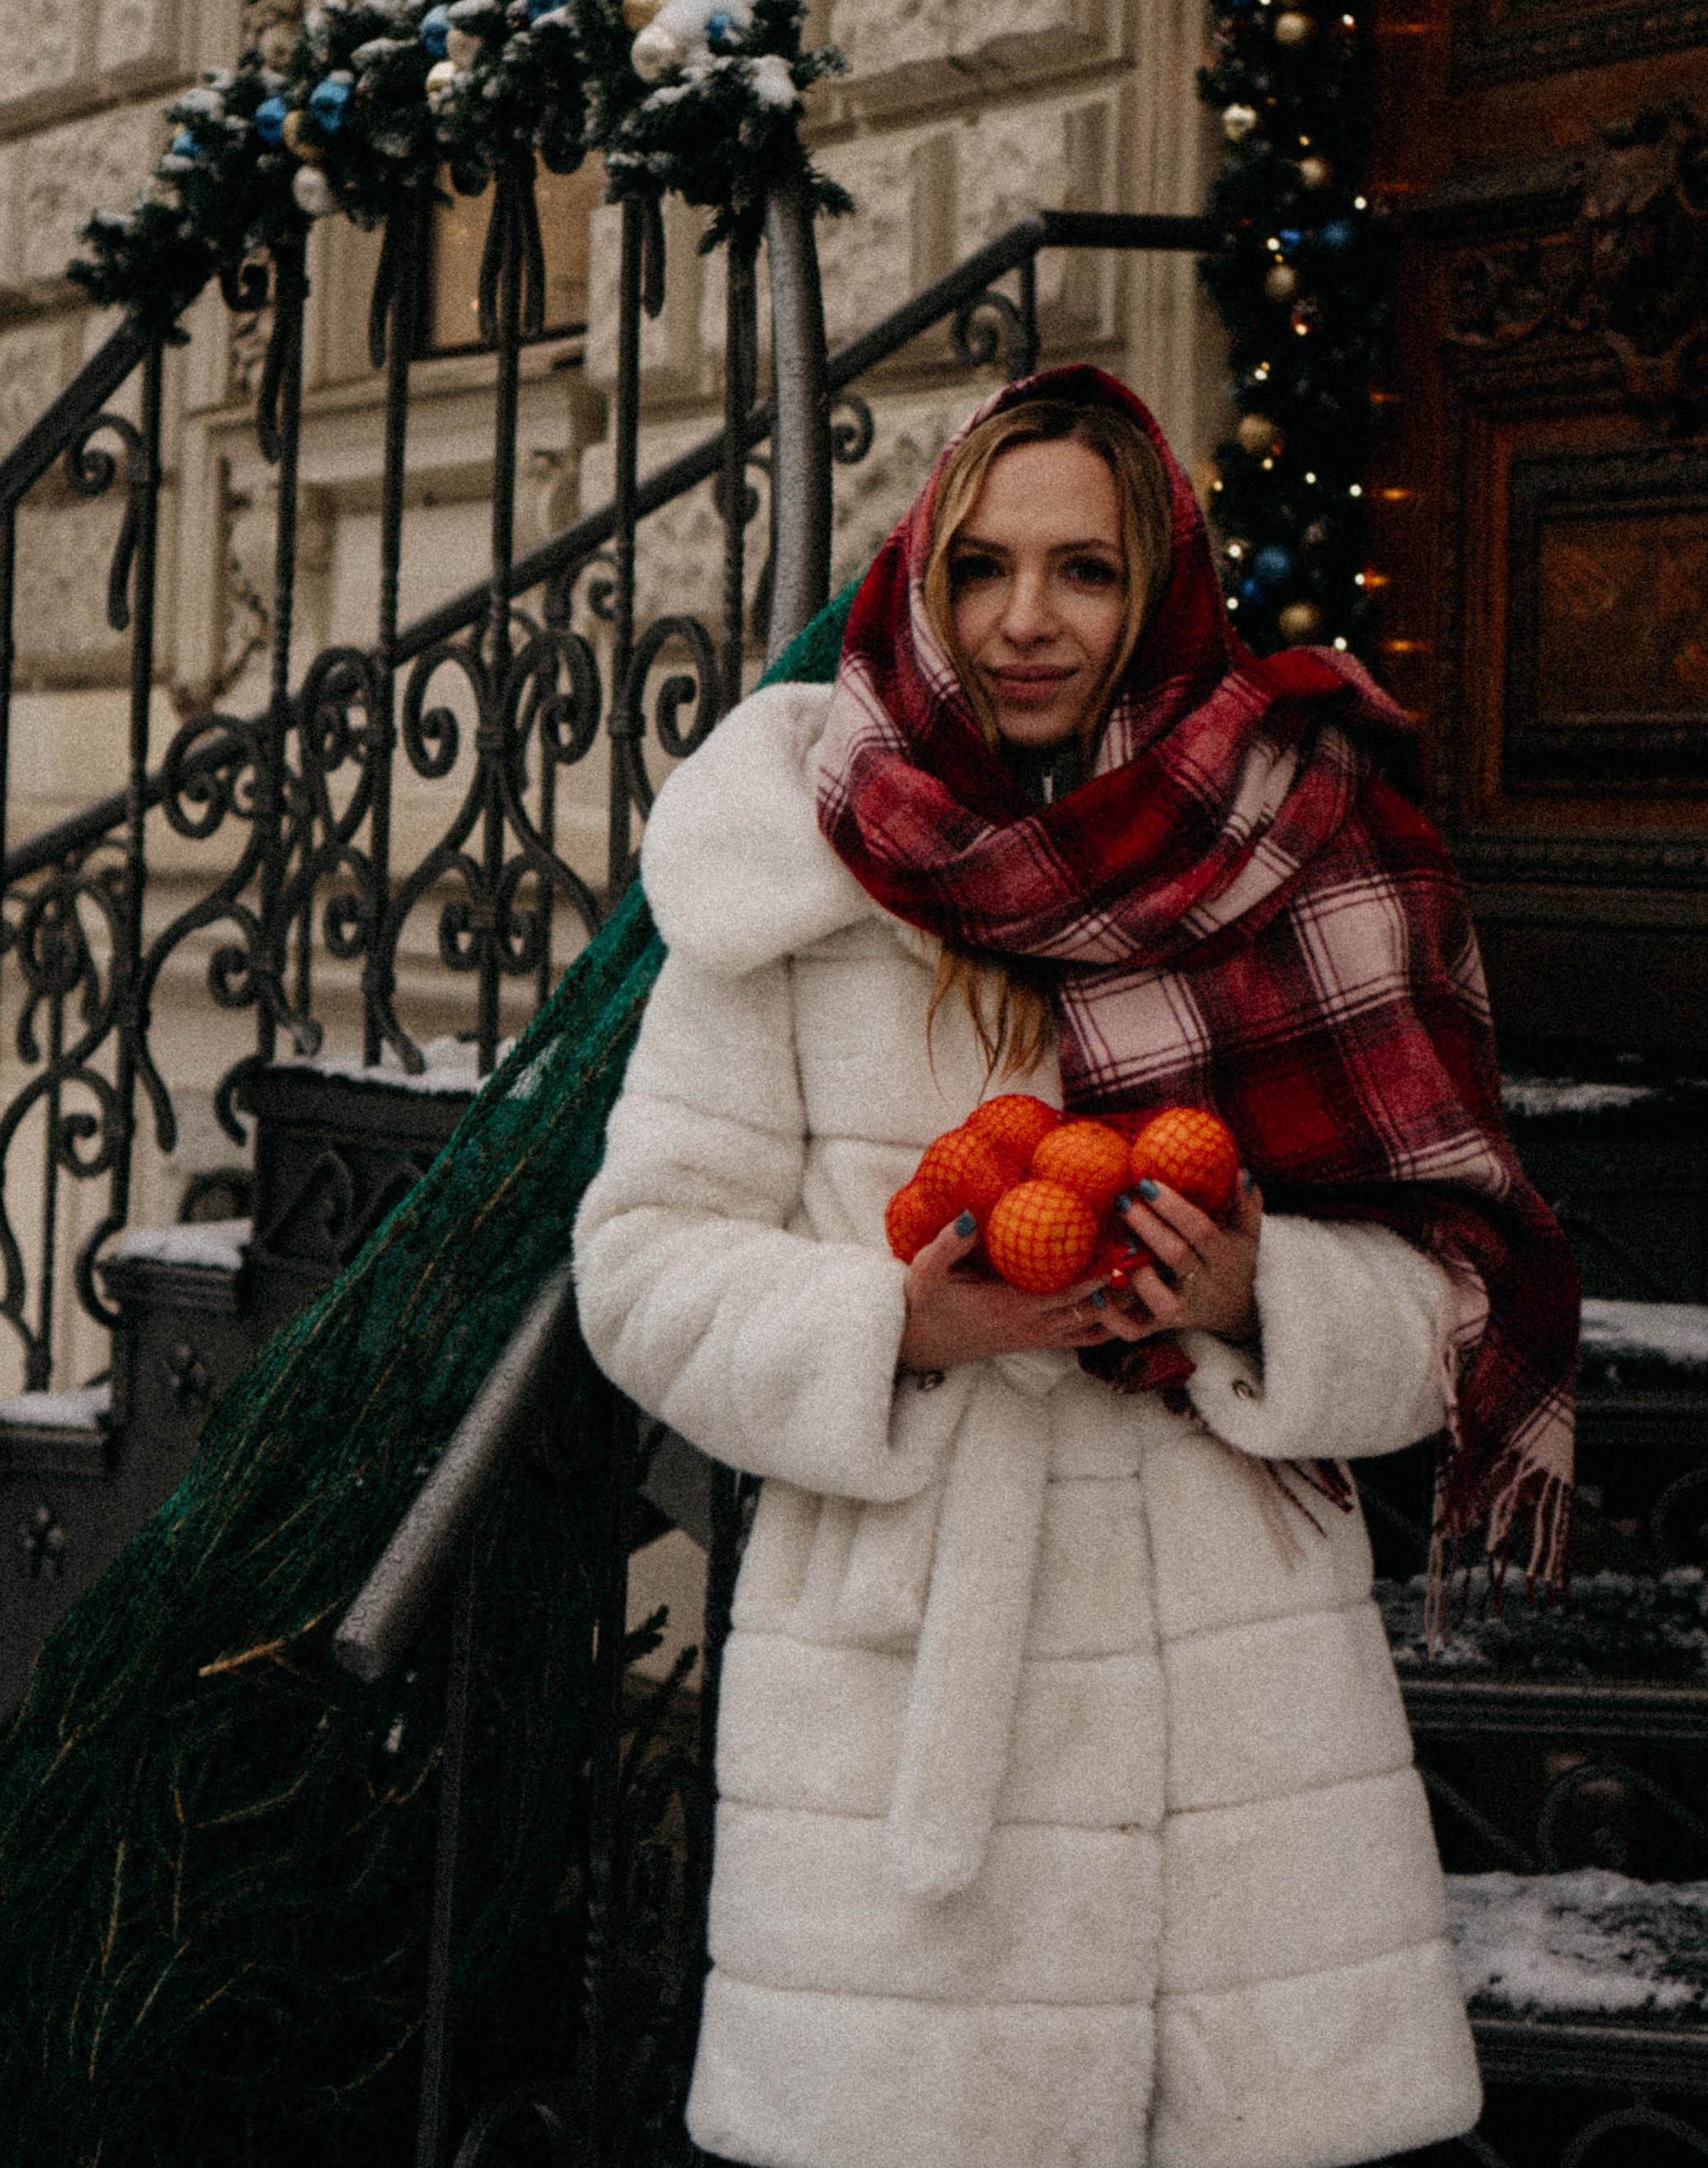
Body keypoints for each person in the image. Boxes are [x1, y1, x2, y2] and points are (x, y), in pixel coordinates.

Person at [573, 365, 1578, 2168]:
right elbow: (640, 1264)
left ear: (1162, 592)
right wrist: (893, 1325)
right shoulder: (796, 879)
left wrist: (1253, 1299)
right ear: (918, 586)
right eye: (982, 569)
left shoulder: (1303, 849)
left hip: (1241, 1720)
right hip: (907, 1699)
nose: (1026, 620)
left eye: (1086, 572)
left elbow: (1453, 1285)